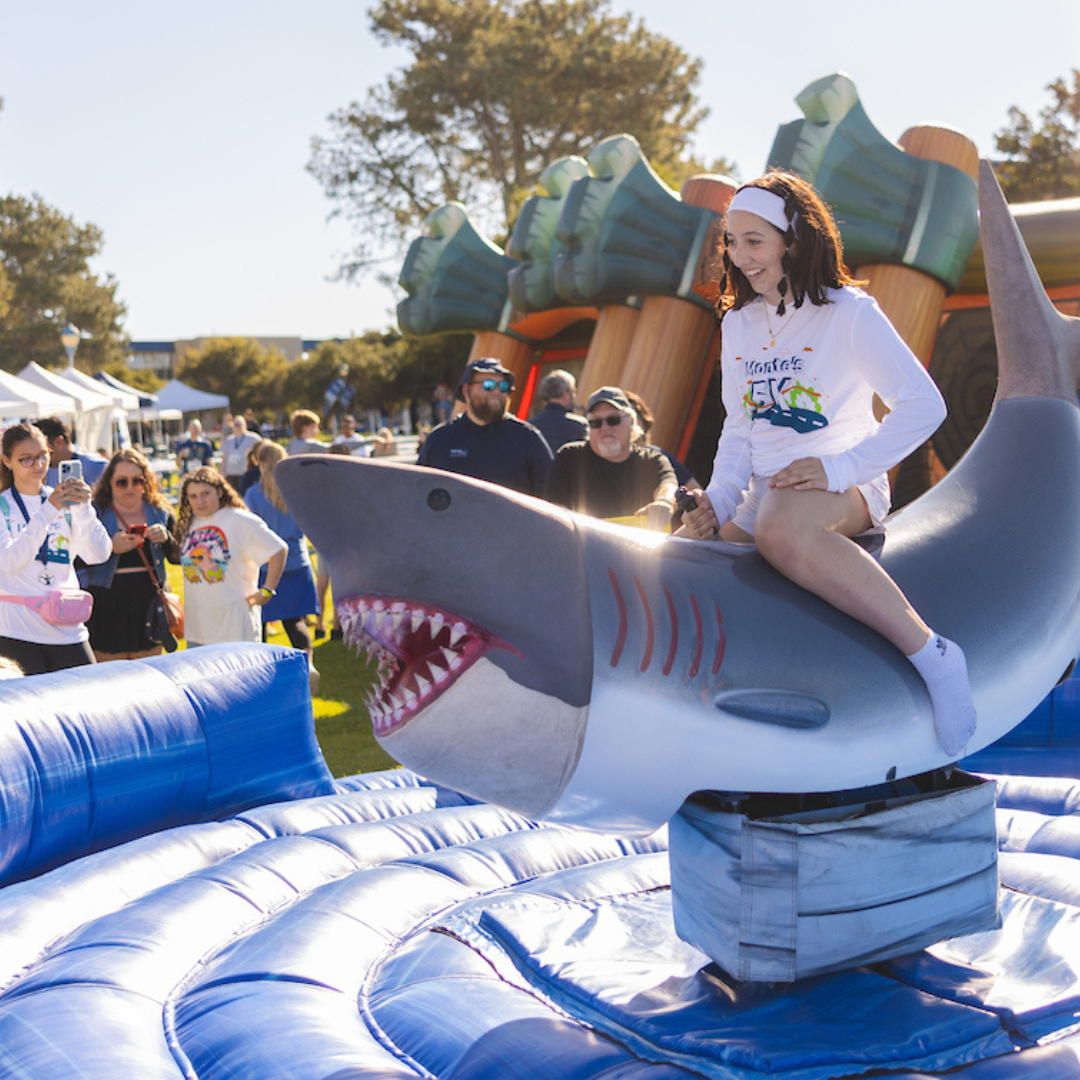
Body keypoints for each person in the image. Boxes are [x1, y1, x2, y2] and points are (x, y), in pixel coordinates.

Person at [677, 171, 975, 756]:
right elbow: (740, 427)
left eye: (754, 241)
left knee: (780, 526)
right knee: (686, 564)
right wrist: (716, 501)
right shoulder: (737, 322)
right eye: (732, 243)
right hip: (767, 493)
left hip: (847, 485)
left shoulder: (849, 311)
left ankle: (935, 655)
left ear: (794, 238)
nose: (740, 256)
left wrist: (842, 469)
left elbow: (925, 405)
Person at [0, 422, 111, 673]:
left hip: (68, 627)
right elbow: (10, 564)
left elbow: (98, 554)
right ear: (7, 461)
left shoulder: (65, 500)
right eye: (26, 459)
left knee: (83, 705)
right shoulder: (4, 505)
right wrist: (48, 509)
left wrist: (84, 507)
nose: (37, 465)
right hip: (17, 630)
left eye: (42, 456)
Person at [81, 448, 181, 661]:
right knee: (109, 677)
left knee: (146, 675)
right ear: (109, 482)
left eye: (137, 480)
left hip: (149, 604)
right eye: (121, 482)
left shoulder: (160, 511)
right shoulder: (93, 512)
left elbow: (178, 557)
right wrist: (109, 548)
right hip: (106, 603)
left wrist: (167, 539)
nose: (130, 487)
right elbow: (76, 560)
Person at [176, 466, 287, 647]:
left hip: (235, 629)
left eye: (206, 493)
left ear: (219, 491)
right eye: (193, 496)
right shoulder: (190, 523)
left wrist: (267, 590)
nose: (200, 501)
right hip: (197, 631)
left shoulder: (239, 519)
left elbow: (278, 549)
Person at [244, 441, 320, 691]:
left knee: (261, 625)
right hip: (298, 561)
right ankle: (308, 668)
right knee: (295, 622)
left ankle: (263, 680)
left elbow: (249, 531)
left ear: (261, 463)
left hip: (268, 565)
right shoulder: (297, 491)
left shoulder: (254, 495)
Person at [417, 357, 553, 496]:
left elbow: (552, 497)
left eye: (502, 386)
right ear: (466, 390)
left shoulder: (528, 438)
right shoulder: (440, 439)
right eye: (488, 385)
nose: (496, 391)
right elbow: (418, 492)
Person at [545, 386, 677, 528]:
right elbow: (553, 513)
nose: (605, 427)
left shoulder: (653, 461)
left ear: (631, 422)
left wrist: (664, 502)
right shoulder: (569, 456)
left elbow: (669, 486)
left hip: (637, 548)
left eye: (613, 419)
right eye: (596, 422)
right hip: (580, 546)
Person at [623, 388, 701, 491]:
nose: (629, 423)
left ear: (642, 418)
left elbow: (695, 490)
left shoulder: (658, 457)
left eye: (632, 416)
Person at [36, 416, 109, 490]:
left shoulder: (98, 466)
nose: (38, 455)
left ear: (59, 442)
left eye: (42, 447)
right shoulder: (41, 470)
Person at [530, 369, 588, 453]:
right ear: (565, 393)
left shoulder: (531, 425)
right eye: (574, 392)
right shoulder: (579, 426)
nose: (575, 397)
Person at [219, 415, 261, 490]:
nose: (237, 427)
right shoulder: (229, 439)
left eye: (239, 424)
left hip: (245, 474)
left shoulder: (253, 438)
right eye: (235, 425)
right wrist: (222, 473)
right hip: (231, 475)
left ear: (244, 425)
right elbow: (224, 457)